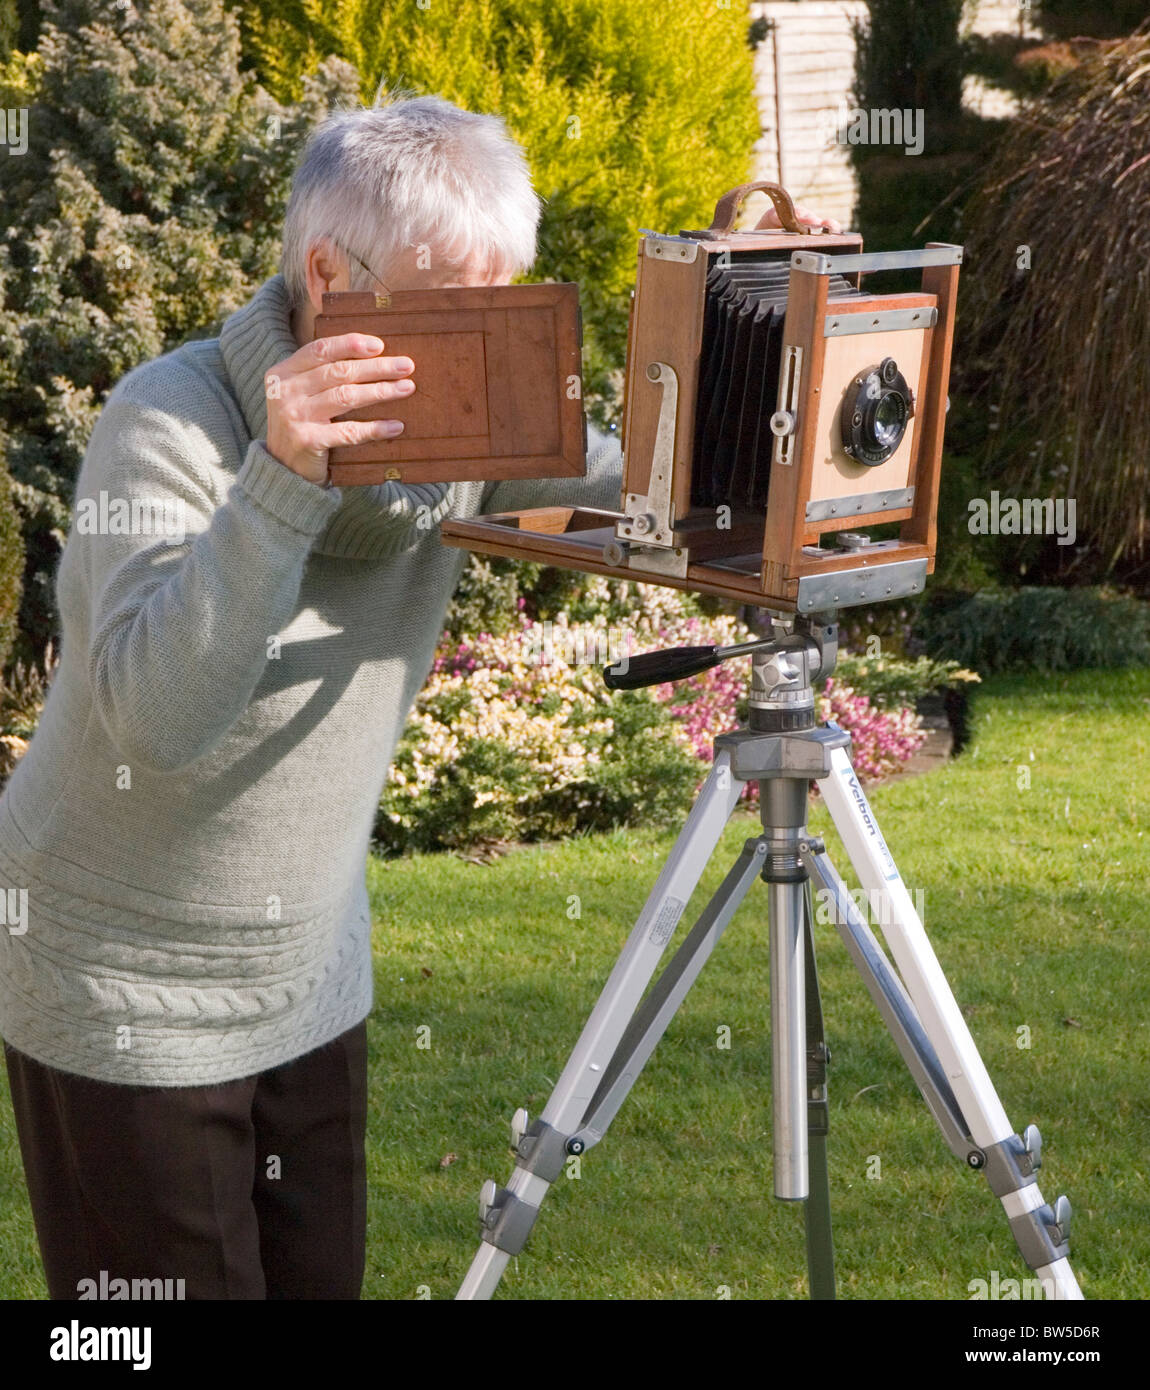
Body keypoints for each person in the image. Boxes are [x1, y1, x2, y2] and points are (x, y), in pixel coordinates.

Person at [0, 93, 837, 1300]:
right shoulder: (167, 422)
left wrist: (772, 310)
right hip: (118, 980)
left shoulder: (470, 420)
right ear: (331, 279)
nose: (492, 348)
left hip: (305, 975)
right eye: (459, 312)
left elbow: (667, 495)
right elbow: (158, 719)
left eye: (507, 308)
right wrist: (281, 479)